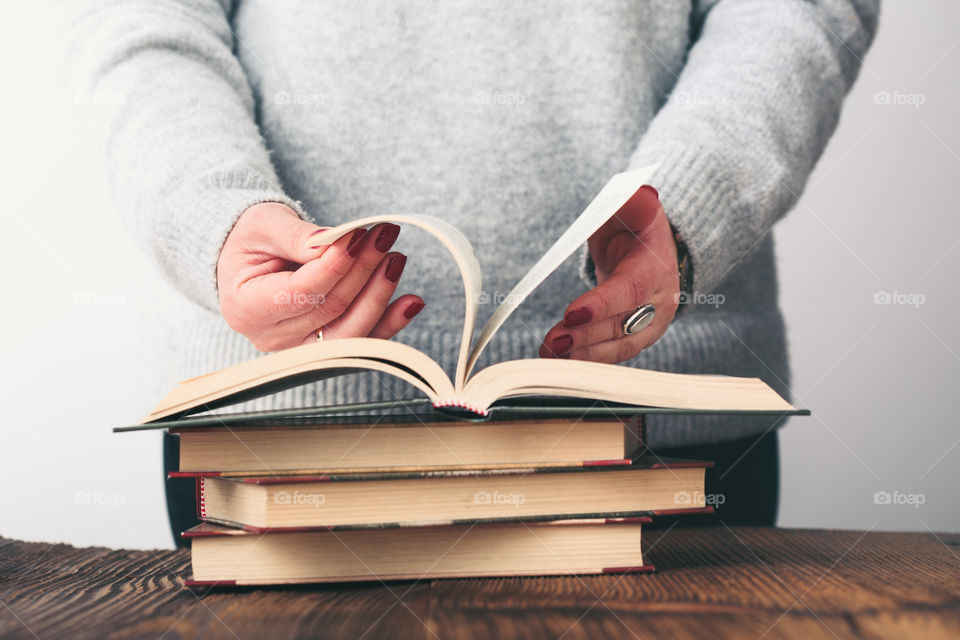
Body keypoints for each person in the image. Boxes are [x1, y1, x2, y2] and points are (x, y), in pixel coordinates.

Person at [64, 1, 879, 543]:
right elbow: (140, 19)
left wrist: (693, 192)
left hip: (658, 418)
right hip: (275, 426)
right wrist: (216, 216)